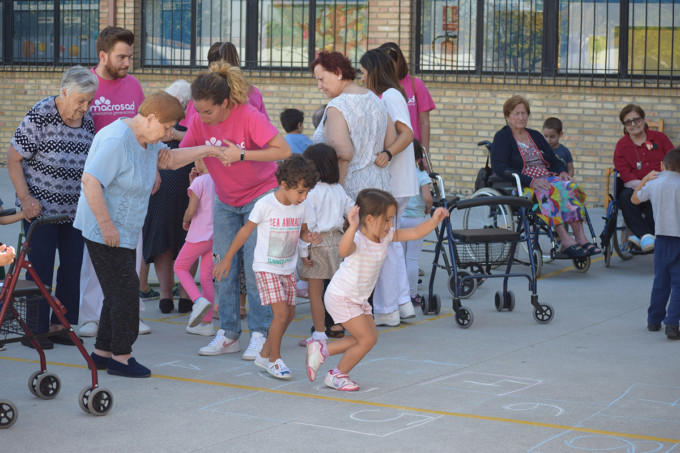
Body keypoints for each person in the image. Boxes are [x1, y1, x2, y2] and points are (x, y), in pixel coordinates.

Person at [74, 91, 229, 378]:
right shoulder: (116, 139)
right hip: (105, 230)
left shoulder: (148, 138)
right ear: (151, 118)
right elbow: (90, 180)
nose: (170, 134)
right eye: (168, 127)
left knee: (116, 293)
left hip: (125, 230)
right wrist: (107, 225)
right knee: (126, 296)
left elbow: (170, 160)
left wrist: (207, 151)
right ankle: (122, 357)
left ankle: (101, 354)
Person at [179, 61, 291, 360]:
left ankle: (260, 333)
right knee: (221, 267)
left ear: (225, 103)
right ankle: (228, 333)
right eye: (197, 111)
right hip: (225, 200)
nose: (201, 118)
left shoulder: (248, 115)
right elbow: (183, 152)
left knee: (257, 268)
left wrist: (241, 154)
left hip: (261, 195)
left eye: (208, 112)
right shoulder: (200, 121)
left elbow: (283, 151)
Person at [305, 189, 449, 391]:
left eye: (392, 220)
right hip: (342, 297)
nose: (391, 225)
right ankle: (336, 375)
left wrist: (434, 220)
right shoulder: (358, 239)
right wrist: (352, 226)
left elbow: (415, 233)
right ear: (370, 219)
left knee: (366, 338)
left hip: (358, 299)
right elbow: (343, 250)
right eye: (387, 220)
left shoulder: (386, 236)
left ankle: (321, 349)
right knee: (367, 339)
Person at [7, 66, 98, 350]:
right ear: (64, 92)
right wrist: (25, 200)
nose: (84, 108)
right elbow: (13, 158)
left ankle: (60, 325)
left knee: (72, 269)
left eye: (89, 101)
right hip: (41, 212)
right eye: (80, 101)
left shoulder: (87, 120)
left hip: (75, 212)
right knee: (40, 269)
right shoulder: (42, 113)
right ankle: (34, 330)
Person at [213, 155, 320, 379]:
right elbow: (244, 232)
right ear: (284, 185)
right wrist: (227, 259)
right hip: (266, 267)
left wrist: (309, 236)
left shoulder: (303, 205)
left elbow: (303, 231)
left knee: (289, 314)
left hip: (287, 268)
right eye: (300, 191)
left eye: (307, 191)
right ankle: (274, 360)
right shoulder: (265, 204)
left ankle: (263, 354)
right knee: (280, 314)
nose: (304, 196)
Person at [78, 26, 148, 338]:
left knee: (131, 249)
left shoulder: (133, 86)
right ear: (103, 56)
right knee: (97, 255)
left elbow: (147, 132)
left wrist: (154, 171)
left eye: (129, 57)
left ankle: (131, 313)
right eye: (121, 57)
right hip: (98, 180)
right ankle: (91, 315)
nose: (127, 63)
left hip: (131, 185)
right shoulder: (87, 86)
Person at [491, 95, 598, 258]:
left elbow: (553, 159)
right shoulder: (502, 137)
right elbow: (499, 167)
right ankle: (565, 239)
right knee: (549, 191)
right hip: (522, 185)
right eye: (516, 113)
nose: (521, 117)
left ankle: (581, 237)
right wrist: (531, 181)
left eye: (524, 113)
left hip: (546, 178)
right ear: (507, 116)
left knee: (569, 187)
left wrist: (562, 171)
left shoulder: (535, 135)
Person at [359, 48, 419, 326]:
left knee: (386, 245)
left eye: (363, 73)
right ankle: (401, 305)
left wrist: (388, 154)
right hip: (396, 182)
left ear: (374, 72)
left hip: (394, 182)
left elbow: (407, 133)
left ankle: (387, 309)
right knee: (391, 245)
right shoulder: (390, 95)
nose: (361, 78)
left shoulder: (391, 96)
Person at [310, 51, 396, 199]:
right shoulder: (375, 98)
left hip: (353, 194)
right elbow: (391, 140)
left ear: (337, 72)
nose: (319, 86)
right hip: (382, 190)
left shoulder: (338, 106)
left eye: (322, 79)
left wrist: (336, 196)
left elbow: (343, 155)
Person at [141, 79, 194, 315]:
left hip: (183, 185)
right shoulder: (158, 117)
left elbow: (194, 140)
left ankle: (175, 295)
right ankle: (174, 295)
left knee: (184, 239)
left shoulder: (188, 117)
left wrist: (172, 132)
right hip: (167, 185)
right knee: (174, 238)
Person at [297, 143, 354, 346]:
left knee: (315, 293)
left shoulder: (310, 193)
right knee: (335, 290)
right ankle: (338, 325)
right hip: (338, 241)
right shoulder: (338, 189)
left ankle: (319, 334)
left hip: (317, 243)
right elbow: (352, 211)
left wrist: (303, 252)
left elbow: (308, 226)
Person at [631, 147, 680, 339]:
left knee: (661, 281)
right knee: (678, 284)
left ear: (661, 165)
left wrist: (645, 179)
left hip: (661, 238)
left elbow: (635, 199)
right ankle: (672, 323)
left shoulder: (655, 182)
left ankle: (653, 320)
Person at [614, 104, 674, 252]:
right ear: (624, 125)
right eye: (628, 122)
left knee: (658, 196)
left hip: (661, 184)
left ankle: (639, 236)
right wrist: (645, 185)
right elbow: (625, 172)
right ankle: (645, 235)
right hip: (636, 188)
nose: (633, 124)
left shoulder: (660, 138)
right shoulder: (621, 146)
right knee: (625, 197)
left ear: (643, 119)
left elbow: (673, 161)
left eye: (637, 119)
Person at [173, 158, 216, 336]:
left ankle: (197, 301)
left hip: (198, 235)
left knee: (180, 266)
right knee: (206, 278)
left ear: (202, 160)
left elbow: (191, 211)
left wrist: (185, 219)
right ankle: (207, 324)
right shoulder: (217, 179)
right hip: (214, 236)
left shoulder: (200, 181)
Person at [379, 42, 436, 159]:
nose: (388, 67)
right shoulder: (375, 88)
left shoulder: (416, 84)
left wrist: (425, 155)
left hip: (412, 153)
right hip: (385, 154)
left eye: (391, 62)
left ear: (399, 63)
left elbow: (424, 122)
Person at [401, 139, 433, 305]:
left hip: (399, 218)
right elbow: (427, 197)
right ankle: (412, 295)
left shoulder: (398, 173)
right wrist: (428, 207)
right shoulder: (421, 174)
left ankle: (399, 294)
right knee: (412, 258)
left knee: (400, 258)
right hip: (416, 220)